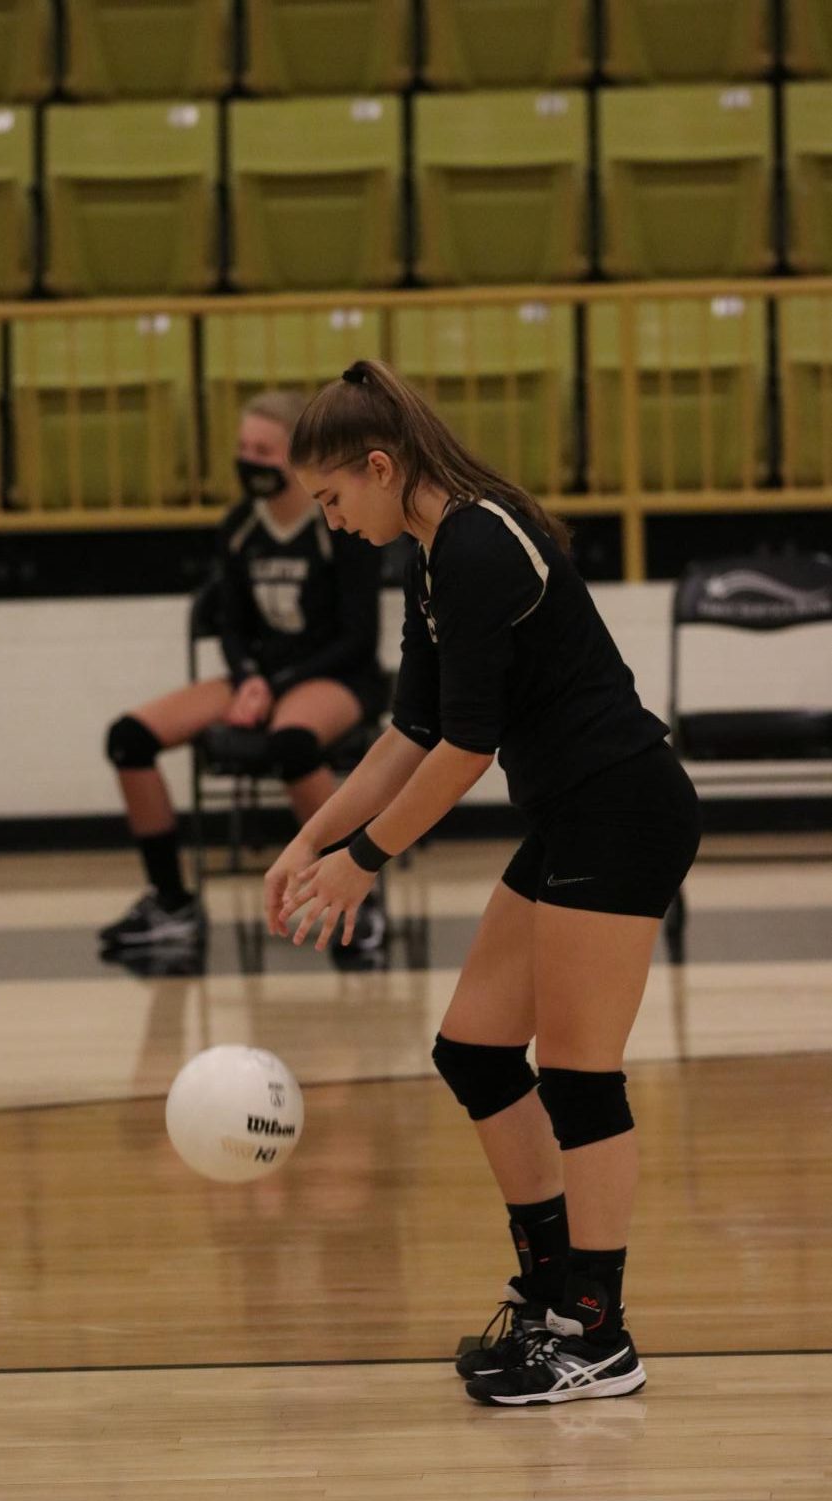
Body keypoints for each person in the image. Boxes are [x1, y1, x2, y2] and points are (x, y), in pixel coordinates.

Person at [264, 359, 701, 1406]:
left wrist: (361, 864)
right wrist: (308, 841)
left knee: (579, 1071)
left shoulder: (474, 543)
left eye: (332, 499)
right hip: (570, 812)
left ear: (379, 466)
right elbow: (407, 732)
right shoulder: (428, 553)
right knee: (471, 1049)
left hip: (619, 805)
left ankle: (596, 1335)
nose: (330, 522)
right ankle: (552, 1297)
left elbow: (463, 749)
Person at [100, 389, 387, 958]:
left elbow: (358, 637)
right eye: (243, 447)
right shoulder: (238, 527)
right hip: (260, 676)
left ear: (297, 456)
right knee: (127, 738)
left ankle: (357, 899)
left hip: (338, 675)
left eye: (264, 448)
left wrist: (273, 688)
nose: (250, 459)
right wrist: (249, 676)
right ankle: (172, 903)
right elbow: (231, 623)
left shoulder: (339, 519)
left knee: (291, 745)